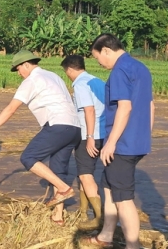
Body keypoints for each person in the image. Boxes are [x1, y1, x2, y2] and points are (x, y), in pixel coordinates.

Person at [0, 50, 81, 225]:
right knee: (58, 170)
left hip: (57, 124)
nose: (19, 74)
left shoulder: (32, 80)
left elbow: (11, 108)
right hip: (74, 127)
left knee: (28, 157)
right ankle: (58, 217)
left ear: (27, 65)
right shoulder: (53, 76)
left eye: (18, 69)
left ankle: (64, 188)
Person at [82, 34, 154, 249]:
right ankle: (106, 236)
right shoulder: (141, 67)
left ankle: (133, 245)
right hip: (136, 142)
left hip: (122, 144)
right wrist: (143, 136)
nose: (99, 63)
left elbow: (124, 107)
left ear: (106, 50)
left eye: (98, 58)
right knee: (108, 186)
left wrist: (111, 142)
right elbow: (151, 106)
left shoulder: (119, 71)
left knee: (123, 197)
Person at [61, 54, 105, 230]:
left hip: (90, 134)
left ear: (70, 69)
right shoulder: (98, 81)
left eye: (66, 72)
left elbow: (89, 110)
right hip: (105, 133)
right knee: (83, 172)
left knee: (86, 175)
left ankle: (99, 218)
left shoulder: (80, 84)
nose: (67, 75)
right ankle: (83, 211)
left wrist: (89, 137)